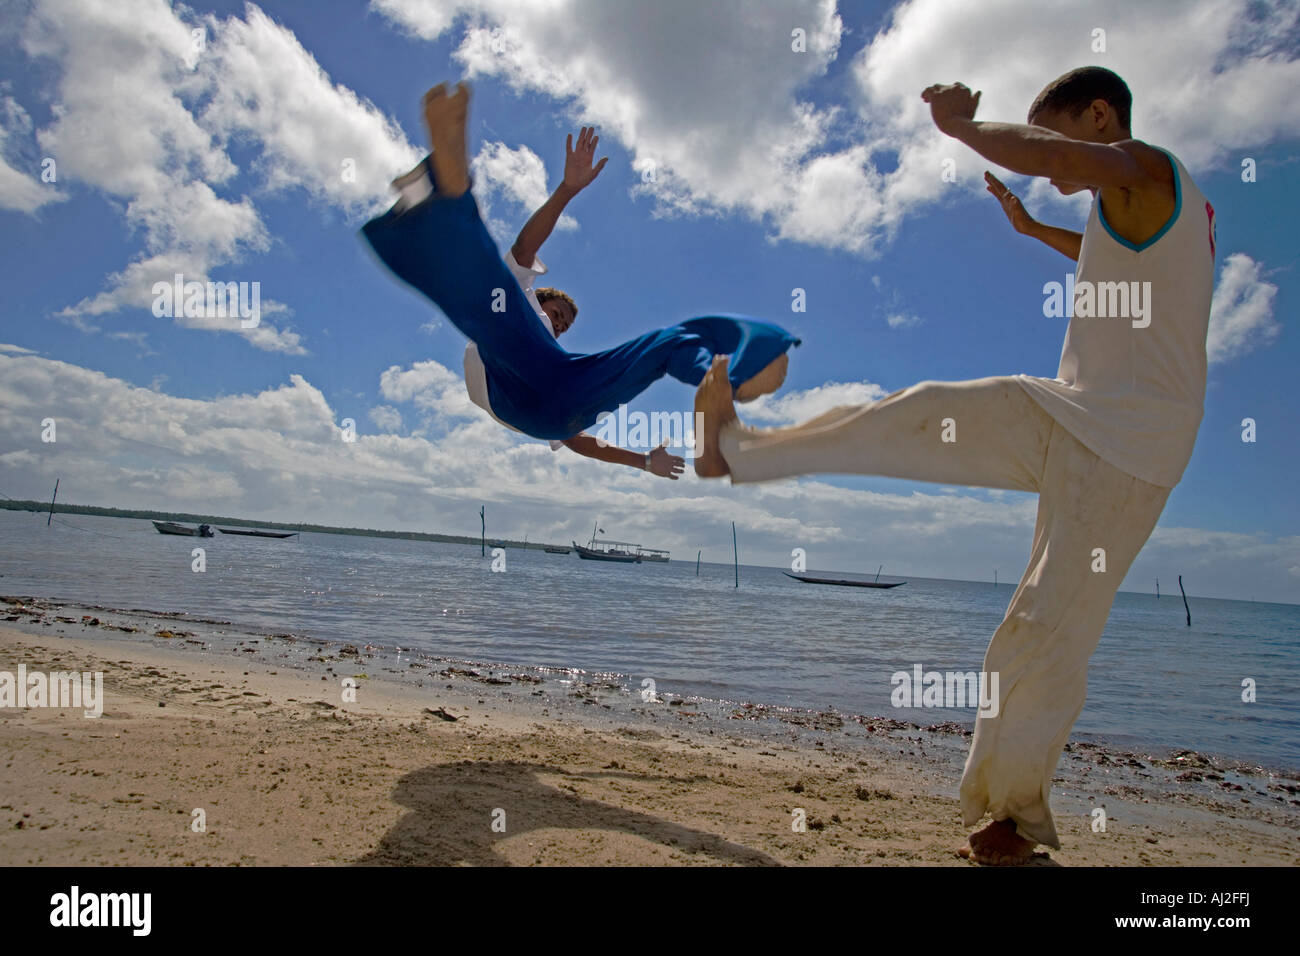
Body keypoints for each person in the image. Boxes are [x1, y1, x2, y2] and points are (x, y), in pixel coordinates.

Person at [694, 67, 1215, 864]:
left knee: (1041, 633)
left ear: (1103, 115)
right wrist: (1032, 229)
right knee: (923, 410)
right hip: (1071, 410)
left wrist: (966, 131)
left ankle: (1009, 822)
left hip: (1134, 446)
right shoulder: (1134, 217)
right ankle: (740, 454)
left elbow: (1056, 162)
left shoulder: (1151, 168)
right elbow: (1100, 259)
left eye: (1064, 145)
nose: (1059, 171)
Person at [362, 82, 799, 479]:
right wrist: (567, 190)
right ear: (542, 297)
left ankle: (725, 381)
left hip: (556, 404)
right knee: (500, 302)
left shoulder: (558, 359)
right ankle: (447, 197)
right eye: (557, 314)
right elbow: (527, 245)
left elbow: (580, 441)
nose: (561, 324)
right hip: (507, 382)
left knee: (670, 340)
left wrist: (644, 461)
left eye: (566, 324)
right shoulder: (520, 297)